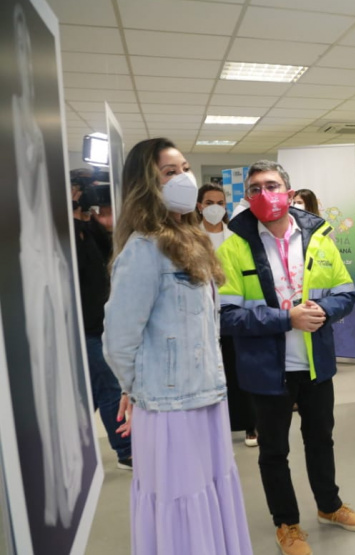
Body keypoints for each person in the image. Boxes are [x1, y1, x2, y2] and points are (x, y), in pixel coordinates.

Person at [103, 138, 253, 555]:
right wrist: (137, 389)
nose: (184, 177)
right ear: (146, 185)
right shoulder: (143, 250)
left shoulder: (192, 240)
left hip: (207, 394)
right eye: (170, 172)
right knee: (181, 499)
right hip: (170, 407)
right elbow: (118, 339)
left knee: (211, 488)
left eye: (184, 167)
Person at [217, 160, 355, 555]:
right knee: (273, 451)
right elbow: (228, 315)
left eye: (272, 185)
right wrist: (287, 317)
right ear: (247, 197)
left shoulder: (319, 238)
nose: (264, 194)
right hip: (267, 369)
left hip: (315, 363)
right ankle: (286, 523)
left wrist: (321, 311)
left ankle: (329, 506)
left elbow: (346, 293)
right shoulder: (235, 245)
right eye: (255, 188)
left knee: (321, 438)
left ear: (287, 190)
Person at [13, 3, 90, 528]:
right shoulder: (17, 125)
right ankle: (52, 498)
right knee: (46, 374)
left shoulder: (33, 128)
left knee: (62, 382)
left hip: (50, 261)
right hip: (31, 258)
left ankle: (66, 473)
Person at [72, 169, 133, 471]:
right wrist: (73, 213)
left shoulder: (91, 229)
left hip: (101, 321)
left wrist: (87, 215)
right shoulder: (67, 231)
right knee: (109, 387)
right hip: (85, 325)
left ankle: (71, 445)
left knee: (95, 392)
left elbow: (107, 250)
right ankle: (125, 450)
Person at [196, 184, 258, 447]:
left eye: (220, 202)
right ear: (199, 205)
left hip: (232, 311)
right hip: (200, 313)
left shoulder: (235, 235)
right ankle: (210, 426)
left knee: (237, 367)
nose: (215, 207)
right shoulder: (189, 236)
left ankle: (249, 425)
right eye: (209, 202)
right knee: (206, 370)